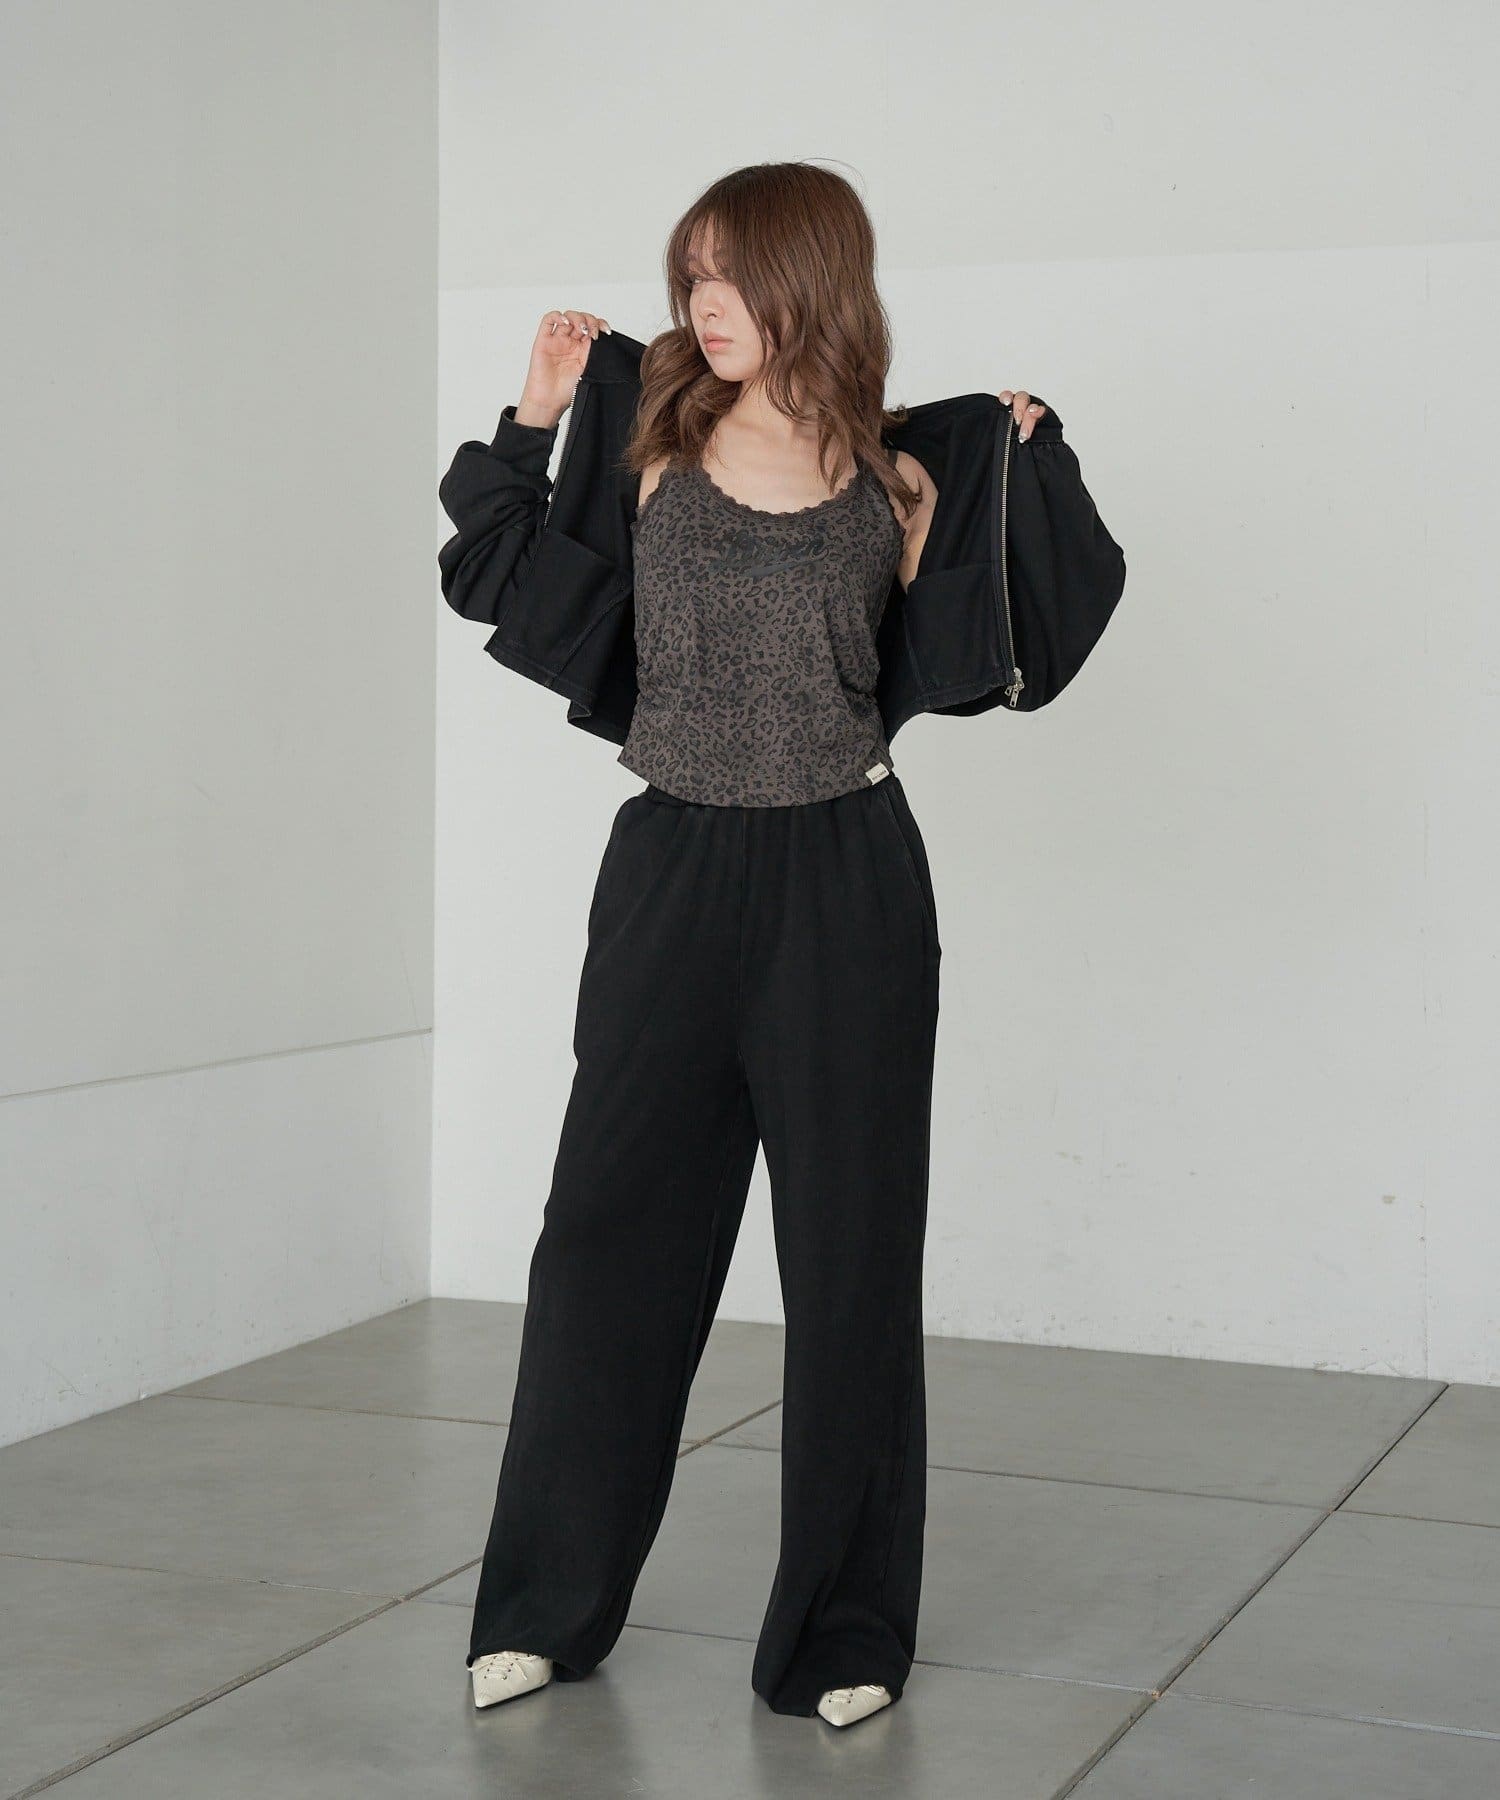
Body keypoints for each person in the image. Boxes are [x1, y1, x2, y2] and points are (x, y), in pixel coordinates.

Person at [439, 162, 1061, 1728]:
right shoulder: (650, 448)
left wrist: (1019, 461)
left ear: (810, 284)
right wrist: (531, 417)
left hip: (850, 878)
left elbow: (996, 643)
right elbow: (493, 575)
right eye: (691, 276)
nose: (703, 305)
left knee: (851, 1264)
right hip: (674, 866)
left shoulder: (899, 482)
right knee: (605, 1242)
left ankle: (845, 1636)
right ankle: (543, 1608)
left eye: (732, 277)